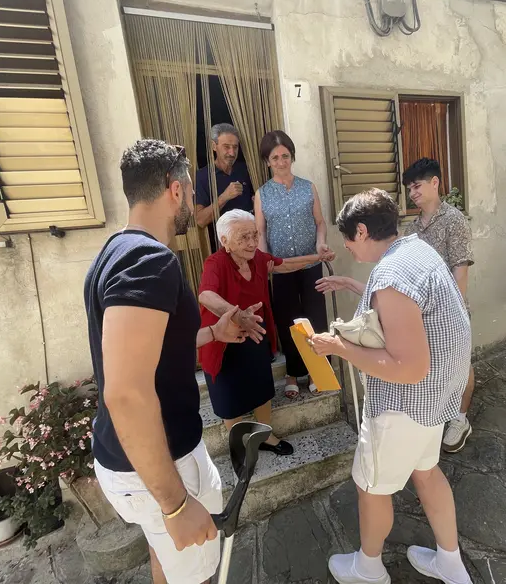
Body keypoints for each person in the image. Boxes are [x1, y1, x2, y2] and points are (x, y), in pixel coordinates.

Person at [85, 140, 248, 584]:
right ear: (175, 190)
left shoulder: (114, 252)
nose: (194, 201)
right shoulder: (148, 261)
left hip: (138, 461)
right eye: (192, 190)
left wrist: (213, 333)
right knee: (195, 574)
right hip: (160, 464)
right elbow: (126, 392)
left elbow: (151, 352)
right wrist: (175, 504)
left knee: (169, 561)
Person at [311, 189, 472, 584]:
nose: (348, 247)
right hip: (435, 401)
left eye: (348, 239)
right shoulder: (416, 250)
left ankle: (368, 568)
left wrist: (339, 348)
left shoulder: (392, 275)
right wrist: (355, 285)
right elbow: (406, 307)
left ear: (362, 230)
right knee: (427, 472)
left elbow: (409, 367)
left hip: (404, 405)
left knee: (371, 486)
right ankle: (450, 564)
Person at [198, 209, 330, 456]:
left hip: (255, 334)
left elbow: (284, 264)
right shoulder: (215, 263)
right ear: (224, 241)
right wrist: (237, 315)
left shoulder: (257, 258)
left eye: (254, 235)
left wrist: (317, 257)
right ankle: (240, 442)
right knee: (229, 398)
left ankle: (266, 435)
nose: (251, 243)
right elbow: (206, 295)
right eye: (243, 237)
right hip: (223, 341)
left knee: (261, 388)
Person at [403, 158, 475, 454]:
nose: (412, 193)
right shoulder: (411, 228)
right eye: (409, 188)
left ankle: (460, 418)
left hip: (450, 309)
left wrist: (452, 310)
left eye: (417, 186)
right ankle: (434, 415)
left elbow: (461, 269)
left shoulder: (454, 219)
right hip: (419, 311)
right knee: (430, 366)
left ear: (435, 183)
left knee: (461, 364)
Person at [255, 130, 332, 399]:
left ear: (292, 156)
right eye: (274, 157)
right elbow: (261, 232)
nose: (281, 161)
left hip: (311, 263)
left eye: (285, 155)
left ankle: (316, 371)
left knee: (315, 318)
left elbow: (320, 223)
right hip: (281, 268)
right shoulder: (262, 194)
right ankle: (292, 372)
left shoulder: (307, 187)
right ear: (267, 161)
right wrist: (264, 260)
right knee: (289, 322)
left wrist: (321, 243)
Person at [195, 123, 254, 249]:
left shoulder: (246, 170)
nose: (232, 153)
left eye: (235, 147)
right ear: (213, 146)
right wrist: (224, 197)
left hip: (252, 242)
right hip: (225, 246)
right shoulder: (202, 177)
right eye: (226, 147)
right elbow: (200, 220)